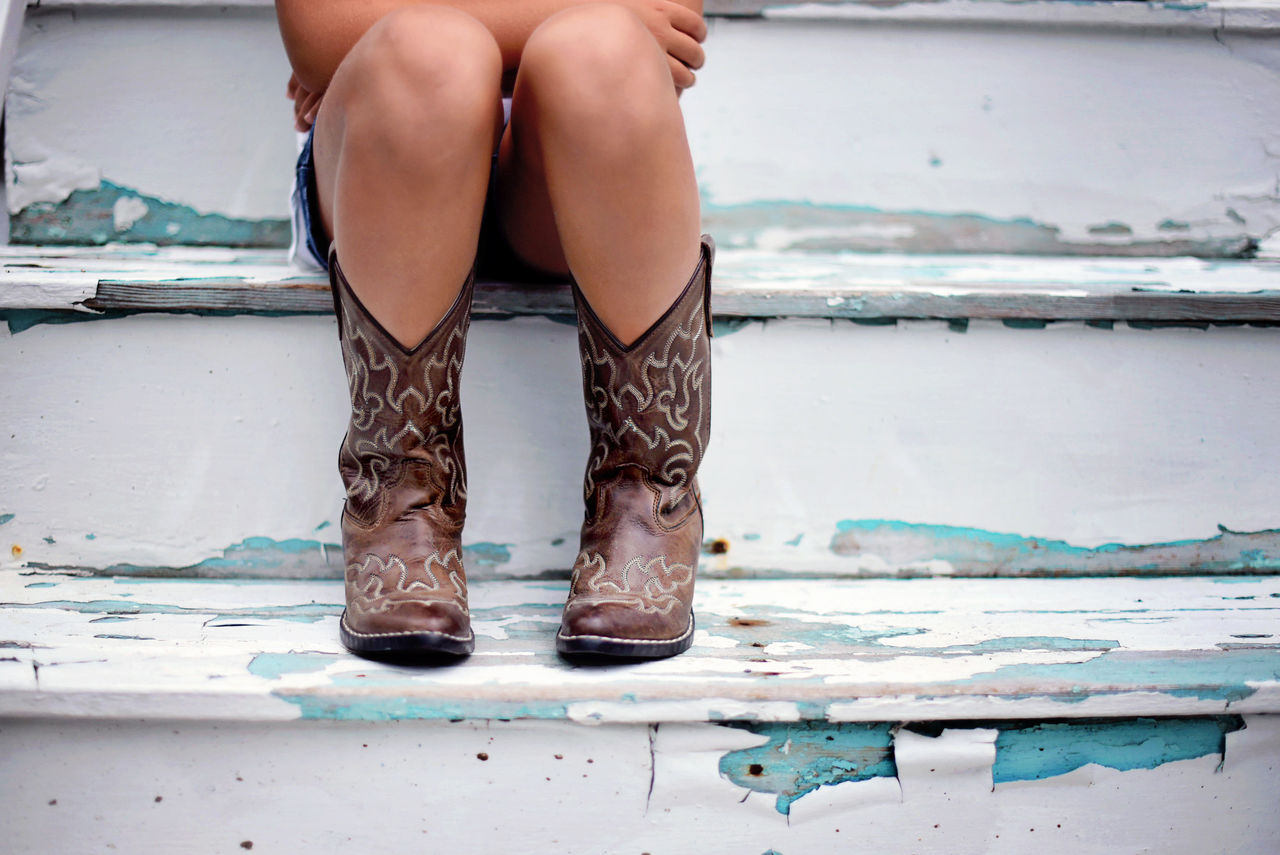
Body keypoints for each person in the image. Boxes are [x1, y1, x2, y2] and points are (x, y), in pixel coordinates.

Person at [275, 0, 714, 660]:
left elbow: (667, 26)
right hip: (386, 172)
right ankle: (404, 496)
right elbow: (321, 32)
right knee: (429, 52)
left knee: (603, 49)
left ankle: (647, 495)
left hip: (574, 176)